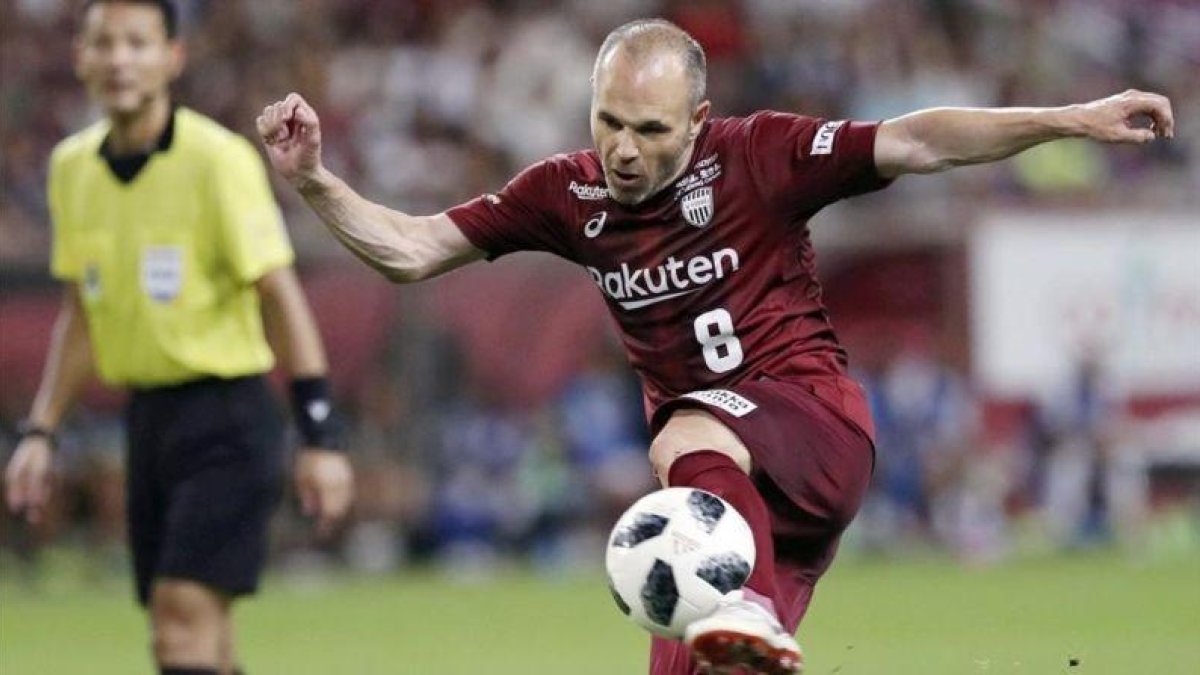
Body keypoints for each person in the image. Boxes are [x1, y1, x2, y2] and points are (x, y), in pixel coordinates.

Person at [255, 18, 1173, 675]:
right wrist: (315, 182)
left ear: (696, 123)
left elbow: (921, 140)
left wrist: (1070, 118)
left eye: (650, 130)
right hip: (724, 507)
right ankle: (745, 610)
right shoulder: (565, 194)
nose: (622, 149)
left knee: (682, 428)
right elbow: (414, 250)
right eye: (609, 121)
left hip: (812, 432)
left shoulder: (760, 156)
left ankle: (744, 602)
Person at [3, 3, 355, 675]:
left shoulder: (217, 160)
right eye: (104, 43)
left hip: (227, 418)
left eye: (138, 42)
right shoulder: (71, 168)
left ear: (173, 57)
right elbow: (81, 314)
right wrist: (40, 432)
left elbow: (279, 294)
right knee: (204, 640)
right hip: (148, 421)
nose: (120, 58)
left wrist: (320, 435)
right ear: (80, 58)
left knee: (179, 625)